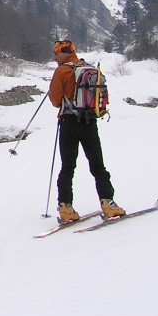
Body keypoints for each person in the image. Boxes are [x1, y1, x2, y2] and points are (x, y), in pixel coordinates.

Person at [49, 40, 125, 223]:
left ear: (66, 53)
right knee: (98, 165)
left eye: (56, 53)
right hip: (89, 122)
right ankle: (108, 203)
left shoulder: (62, 71)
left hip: (68, 122)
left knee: (67, 167)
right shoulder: (87, 68)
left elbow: (55, 100)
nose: (54, 57)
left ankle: (65, 207)